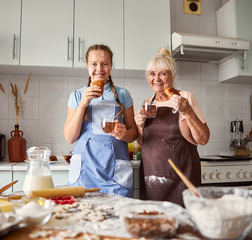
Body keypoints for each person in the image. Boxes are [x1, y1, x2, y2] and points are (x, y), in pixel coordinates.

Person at [134, 48, 210, 206]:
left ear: (172, 75)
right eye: (152, 74)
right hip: (152, 178)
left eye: (162, 73)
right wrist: (139, 126)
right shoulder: (148, 102)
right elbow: (144, 142)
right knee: (155, 223)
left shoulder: (185, 98)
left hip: (182, 178)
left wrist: (188, 111)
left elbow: (203, 139)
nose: (157, 79)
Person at [64, 44, 138, 197]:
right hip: (85, 171)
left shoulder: (123, 94)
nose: (100, 68)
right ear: (87, 66)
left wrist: (124, 134)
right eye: (94, 64)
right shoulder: (77, 95)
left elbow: (134, 133)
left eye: (105, 63)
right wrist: (83, 103)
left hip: (115, 172)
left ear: (111, 66)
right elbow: (70, 137)